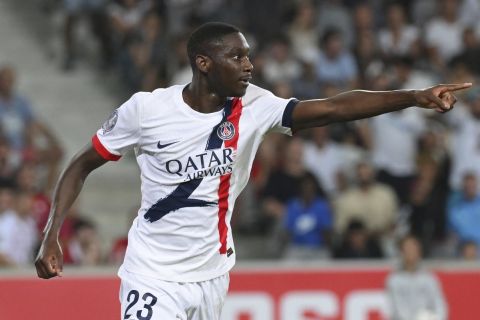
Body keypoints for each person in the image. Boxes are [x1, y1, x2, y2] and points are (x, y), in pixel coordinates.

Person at [35, 22, 471, 319]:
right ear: (204, 63)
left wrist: (413, 96)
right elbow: (81, 164)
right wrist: (52, 233)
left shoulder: (256, 105)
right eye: (237, 57)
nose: (249, 65)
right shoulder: (146, 110)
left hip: (213, 274)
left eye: (249, 57)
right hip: (152, 272)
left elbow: (337, 107)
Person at [386, 235, 448, 320]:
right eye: (408, 248)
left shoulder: (429, 278)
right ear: (402, 252)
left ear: (419, 252)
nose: (411, 252)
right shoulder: (394, 280)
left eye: (414, 248)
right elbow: (397, 309)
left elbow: (439, 303)